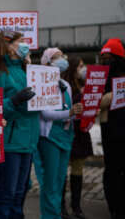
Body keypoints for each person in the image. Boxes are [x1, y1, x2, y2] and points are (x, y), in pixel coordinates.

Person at [0, 30, 37, 219]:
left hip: (27, 140)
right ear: (8, 45)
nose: (24, 45)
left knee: (20, 192)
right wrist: (14, 100)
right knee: (7, 193)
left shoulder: (24, 68)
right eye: (20, 41)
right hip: (9, 141)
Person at [33, 48, 83, 219]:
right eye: (56, 57)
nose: (62, 59)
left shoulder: (65, 85)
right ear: (46, 62)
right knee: (50, 184)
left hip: (65, 136)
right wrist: (69, 113)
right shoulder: (41, 83)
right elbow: (46, 114)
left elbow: (69, 111)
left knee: (60, 182)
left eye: (62, 56)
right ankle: (49, 215)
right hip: (50, 138)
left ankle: (55, 214)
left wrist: (78, 112)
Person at [61, 57, 93, 219]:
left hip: (81, 133)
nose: (83, 68)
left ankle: (76, 206)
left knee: (78, 169)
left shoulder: (84, 86)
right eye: (80, 66)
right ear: (73, 68)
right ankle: (62, 206)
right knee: (62, 171)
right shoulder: (65, 87)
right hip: (68, 131)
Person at [99, 38, 125, 219]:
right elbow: (95, 100)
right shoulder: (100, 77)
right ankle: (114, 207)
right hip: (109, 129)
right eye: (104, 59)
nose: (107, 62)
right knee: (112, 170)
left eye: (110, 58)